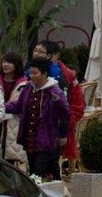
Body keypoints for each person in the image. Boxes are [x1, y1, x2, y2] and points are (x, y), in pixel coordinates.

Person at [5, 57, 70, 179]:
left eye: (35, 73)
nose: (32, 76)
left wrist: (63, 134)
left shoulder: (55, 93)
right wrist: (1, 107)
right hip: (30, 139)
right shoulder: (28, 88)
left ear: (44, 74)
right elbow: (19, 105)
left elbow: (65, 113)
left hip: (46, 139)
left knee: (38, 174)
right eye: (30, 72)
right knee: (33, 170)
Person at [47, 41, 86, 179]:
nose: (38, 55)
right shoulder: (32, 72)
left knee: (51, 161)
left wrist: (69, 121)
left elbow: (77, 104)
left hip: (59, 124)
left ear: (56, 55)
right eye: (36, 52)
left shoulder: (67, 77)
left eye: (44, 53)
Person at [0, 52, 28, 166]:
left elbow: (20, 105)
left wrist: (0, 107)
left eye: (9, 62)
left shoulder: (24, 84)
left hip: (15, 125)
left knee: (11, 162)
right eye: (4, 61)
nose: (5, 65)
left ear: (16, 65)